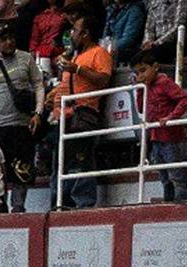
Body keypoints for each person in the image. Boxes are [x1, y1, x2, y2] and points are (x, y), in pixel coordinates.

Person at [0, 21, 44, 213]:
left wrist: (38, 112)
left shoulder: (26, 59)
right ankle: (0, 206)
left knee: (22, 169)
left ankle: (18, 208)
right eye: (3, 39)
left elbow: (39, 85)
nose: (9, 42)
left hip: (21, 125)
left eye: (11, 38)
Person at [47, 14, 111, 210]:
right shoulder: (74, 56)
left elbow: (103, 80)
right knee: (61, 162)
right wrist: (54, 95)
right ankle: (61, 203)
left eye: (74, 31)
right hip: (64, 116)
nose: (71, 35)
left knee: (79, 161)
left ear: (85, 34)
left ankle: (82, 204)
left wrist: (78, 69)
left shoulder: (99, 53)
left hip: (83, 113)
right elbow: (69, 83)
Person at [131, 49, 187, 202]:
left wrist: (171, 117)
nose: (141, 76)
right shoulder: (145, 87)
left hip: (172, 136)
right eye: (137, 73)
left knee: (176, 173)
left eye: (143, 71)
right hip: (156, 136)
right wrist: (138, 90)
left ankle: (181, 202)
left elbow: (184, 99)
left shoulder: (164, 82)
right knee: (163, 174)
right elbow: (140, 108)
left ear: (155, 67)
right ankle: (169, 201)